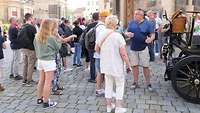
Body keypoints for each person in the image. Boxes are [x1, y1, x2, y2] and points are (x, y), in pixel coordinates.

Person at [34, 19, 76, 108]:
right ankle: (46, 102)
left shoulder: (37, 36)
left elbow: (36, 48)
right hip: (49, 61)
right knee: (48, 82)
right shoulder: (51, 37)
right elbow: (57, 48)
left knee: (41, 80)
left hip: (40, 60)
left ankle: (39, 99)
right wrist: (57, 37)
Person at [95, 15, 131, 113]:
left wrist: (105, 54)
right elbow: (123, 54)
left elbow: (96, 49)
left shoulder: (101, 34)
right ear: (115, 24)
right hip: (117, 65)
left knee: (108, 85)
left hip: (105, 65)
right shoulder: (118, 36)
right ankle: (118, 107)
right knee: (119, 85)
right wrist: (128, 65)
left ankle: (109, 106)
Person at [125, 8, 155, 91]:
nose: (134, 15)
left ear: (141, 15)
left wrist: (150, 39)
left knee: (146, 66)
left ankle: (148, 83)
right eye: (134, 13)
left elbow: (153, 35)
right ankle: (135, 82)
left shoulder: (148, 23)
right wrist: (128, 34)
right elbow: (126, 32)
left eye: (136, 14)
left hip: (143, 48)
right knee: (134, 66)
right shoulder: (131, 22)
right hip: (133, 48)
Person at [94, 10, 110, 97]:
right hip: (100, 54)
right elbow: (99, 42)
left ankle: (100, 89)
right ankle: (99, 89)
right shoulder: (102, 27)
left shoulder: (100, 26)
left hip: (99, 54)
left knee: (101, 72)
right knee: (100, 73)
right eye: (107, 17)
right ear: (104, 17)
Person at [20, 13, 37, 86]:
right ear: (30, 18)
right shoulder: (32, 27)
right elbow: (36, 38)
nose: (33, 19)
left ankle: (24, 80)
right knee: (31, 65)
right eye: (33, 18)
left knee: (25, 64)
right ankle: (28, 81)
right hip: (31, 48)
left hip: (23, 48)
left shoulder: (22, 26)